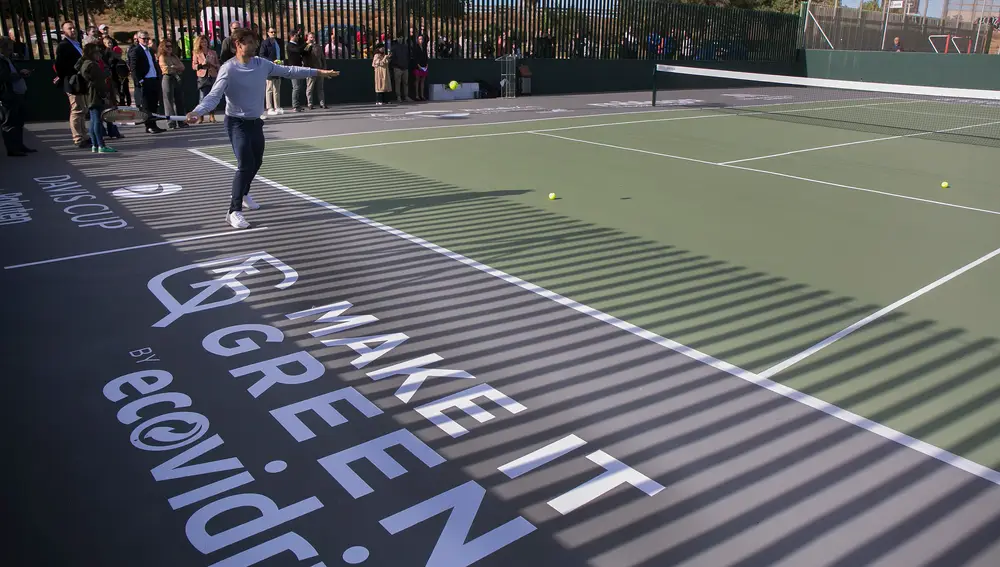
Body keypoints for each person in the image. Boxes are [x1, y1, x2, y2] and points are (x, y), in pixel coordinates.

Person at [185, 28, 340, 230]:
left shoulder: (262, 64)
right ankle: (233, 211)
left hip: (255, 122)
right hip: (236, 123)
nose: (255, 45)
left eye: (255, 42)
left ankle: (244, 193)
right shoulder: (228, 69)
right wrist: (198, 111)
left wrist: (318, 72)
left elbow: (289, 71)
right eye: (250, 42)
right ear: (238, 44)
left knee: (256, 161)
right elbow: (214, 96)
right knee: (244, 163)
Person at [0, 36, 34, 156]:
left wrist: (21, 73)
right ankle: (12, 148)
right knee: (9, 122)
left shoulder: (8, 59)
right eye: (8, 47)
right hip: (8, 95)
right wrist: (18, 74)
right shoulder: (1, 60)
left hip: (18, 92)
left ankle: (19, 145)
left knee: (19, 121)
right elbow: (4, 77)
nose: (11, 50)